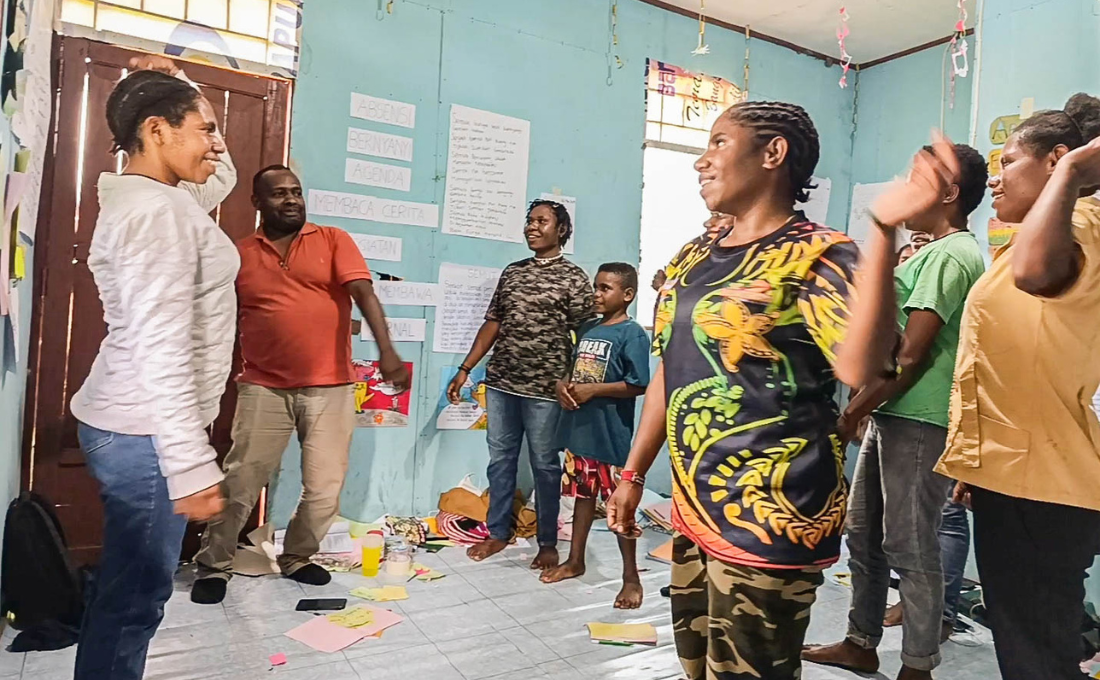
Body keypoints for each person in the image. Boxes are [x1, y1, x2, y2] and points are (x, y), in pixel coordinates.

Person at [834, 93, 1100, 680]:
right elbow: (1009, 359)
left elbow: (926, 349)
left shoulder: (1077, 226)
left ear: (1058, 161)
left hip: (1045, 480)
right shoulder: (1022, 242)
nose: (999, 180)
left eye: (1010, 162)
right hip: (1016, 470)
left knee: (1038, 654)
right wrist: (976, 463)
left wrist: (1079, 172)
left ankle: (916, 662)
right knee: (1027, 643)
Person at [606, 101, 860, 680]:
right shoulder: (692, 259)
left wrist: (888, 234)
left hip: (774, 511)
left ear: (774, 154)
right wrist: (633, 473)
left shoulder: (821, 255)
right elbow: (666, 373)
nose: (702, 161)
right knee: (696, 665)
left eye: (719, 142)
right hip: (695, 506)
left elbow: (868, 367)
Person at [68, 56, 236, 680]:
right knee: (136, 597)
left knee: (129, 593)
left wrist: (183, 89)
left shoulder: (157, 194)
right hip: (144, 430)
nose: (217, 145)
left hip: (137, 424)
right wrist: (188, 465)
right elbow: (159, 348)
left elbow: (220, 174)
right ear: (158, 132)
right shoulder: (157, 214)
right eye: (206, 128)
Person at [803, 143, 988, 680]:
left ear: (949, 194)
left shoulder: (952, 254)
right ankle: (861, 641)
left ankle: (917, 665)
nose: (905, 190)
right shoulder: (931, 251)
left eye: (918, 180)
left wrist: (849, 412)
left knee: (910, 542)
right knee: (863, 533)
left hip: (920, 417)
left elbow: (911, 355)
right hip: (895, 412)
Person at [191, 166, 410, 604]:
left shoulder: (332, 240)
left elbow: (365, 294)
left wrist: (387, 350)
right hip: (262, 386)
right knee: (241, 481)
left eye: (296, 192)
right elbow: (214, 317)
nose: (290, 200)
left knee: (325, 484)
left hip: (331, 387)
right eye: (278, 194)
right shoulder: (238, 254)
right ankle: (215, 563)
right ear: (257, 202)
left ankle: (297, 557)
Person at [447, 200, 594, 569]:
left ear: (561, 229)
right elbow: (494, 324)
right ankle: (498, 533)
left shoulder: (574, 278)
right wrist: (465, 369)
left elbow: (587, 333)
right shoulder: (513, 272)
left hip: (547, 390)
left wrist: (576, 382)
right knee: (500, 461)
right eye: (529, 221)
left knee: (545, 464)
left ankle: (547, 542)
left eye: (541, 221)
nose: (531, 227)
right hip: (501, 384)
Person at [539, 262, 650, 609]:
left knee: (620, 510)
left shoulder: (632, 334)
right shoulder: (588, 328)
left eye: (606, 289)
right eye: (596, 287)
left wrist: (594, 391)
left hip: (610, 438)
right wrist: (563, 386)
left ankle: (631, 578)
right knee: (582, 498)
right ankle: (575, 560)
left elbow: (638, 383)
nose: (597, 294)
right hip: (579, 432)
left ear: (627, 295)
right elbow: (574, 371)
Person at [651, 212, 735, 291]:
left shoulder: (731, 256)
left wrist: (664, 289)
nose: (707, 223)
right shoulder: (697, 245)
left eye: (719, 216)